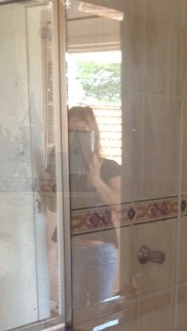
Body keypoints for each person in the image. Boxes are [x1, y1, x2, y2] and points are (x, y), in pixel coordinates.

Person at [68, 106, 121, 309]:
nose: (76, 137)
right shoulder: (61, 168)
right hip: (70, 251)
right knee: (74, 313)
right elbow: (52, 206)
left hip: (100, 251)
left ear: (94, 134)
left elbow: (119, 205)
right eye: (70, 132)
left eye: (82, 132)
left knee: (102, 312)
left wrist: (96, 180)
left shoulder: (109, 166)